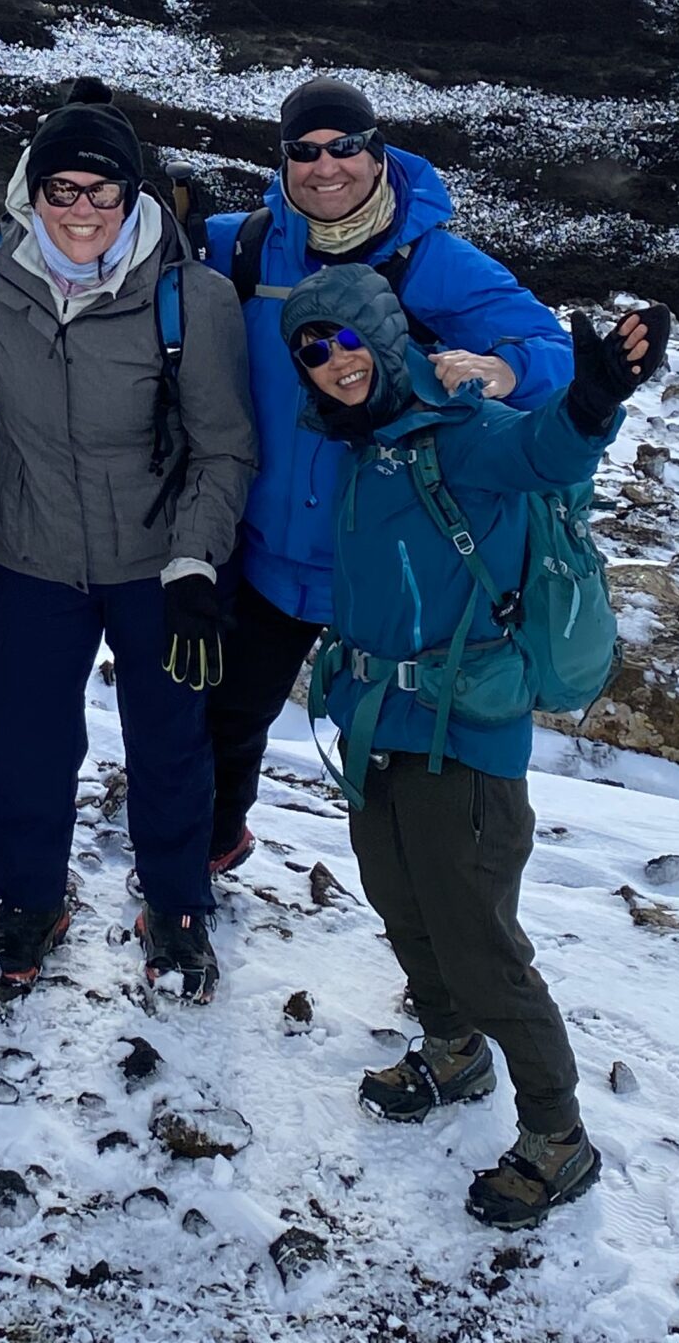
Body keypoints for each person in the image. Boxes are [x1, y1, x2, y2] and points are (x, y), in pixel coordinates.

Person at [282, 261, 668, 1227]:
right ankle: (453, 1053)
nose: (334, 364)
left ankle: (557, 1135)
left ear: (388, 340)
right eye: (313, 351)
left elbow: (549, 453)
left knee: (479, 939)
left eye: (349, 341)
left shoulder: (461, 433)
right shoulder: (355, 444)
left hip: (468, 734)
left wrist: (592, 397)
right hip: (380, 724)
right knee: (402, 904)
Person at [0, 79, 256, 1005]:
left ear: (133, 197)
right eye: (61, 190)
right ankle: (28, 901)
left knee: (170, 741)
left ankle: (177, 905)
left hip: (159, 566)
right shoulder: (1, 271)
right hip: (29, 553)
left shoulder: (189, 298)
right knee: (23, 738)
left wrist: (196, 563)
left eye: (100, 192)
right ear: (32, 192)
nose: (81, 211)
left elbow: (226, 450)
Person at [196, 75, 571, 878]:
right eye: (304, 151)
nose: (325, 167)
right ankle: (216, 846)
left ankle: (443, 928)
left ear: (377, 150)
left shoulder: (434, 262)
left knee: (408, 755)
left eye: (344, 147)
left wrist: (504, 370)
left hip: (391, 565)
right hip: (269, 551)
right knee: (230, 719)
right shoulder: (247, 246)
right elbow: (109, 233)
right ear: (284, 159)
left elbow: (555, 352)